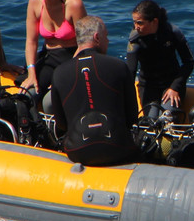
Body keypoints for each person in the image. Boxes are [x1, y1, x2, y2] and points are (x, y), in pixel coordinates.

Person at [51, 15, 139, 166]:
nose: (108, 41)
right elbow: (132, 117)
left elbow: (61, 124)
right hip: (118, 149)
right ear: (97, 37)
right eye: (106, 36)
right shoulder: (119, 66)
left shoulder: (59, 72)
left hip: (77, 152)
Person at [20, 0, 86, 112]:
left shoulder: (73, 4)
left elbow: (84, 43)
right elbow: (31, 42)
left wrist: (64, 75)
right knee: (26, 96)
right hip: (49, 58)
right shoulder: (34, 3)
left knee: (52, 101)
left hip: (72, 59)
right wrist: (31, 73)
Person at [126, 0, 194, 118]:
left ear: (154, 21)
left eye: (140, 23)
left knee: (166, 118)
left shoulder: (172, 32)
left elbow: (189, 62)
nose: (136, 27)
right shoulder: (135, 39)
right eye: (134, 22)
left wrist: (175, 87)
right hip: (148, 86)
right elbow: (131, 71)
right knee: (152, 120)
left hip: (171, 84)